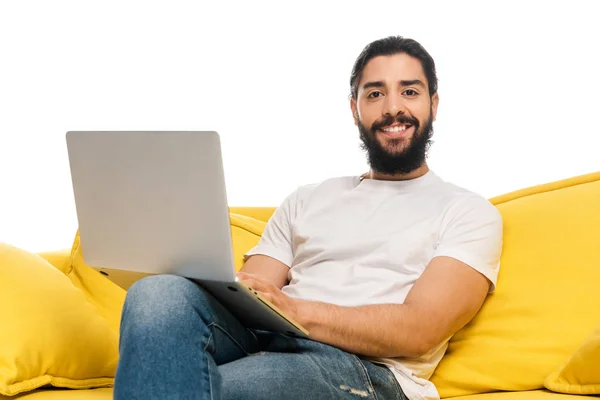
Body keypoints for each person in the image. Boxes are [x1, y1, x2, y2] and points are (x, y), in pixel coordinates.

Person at [114, 36, 503, 400]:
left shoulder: (468, 212)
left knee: (205, 388)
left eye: (410, 91)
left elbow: (419, 329)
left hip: (366, 371)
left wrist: (299, 311)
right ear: (355, 109)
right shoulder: (308, 199)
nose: (392, 108)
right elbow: (253, 294)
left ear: (434, 104)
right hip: (269, 339)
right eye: (375, 93)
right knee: (157, 292)